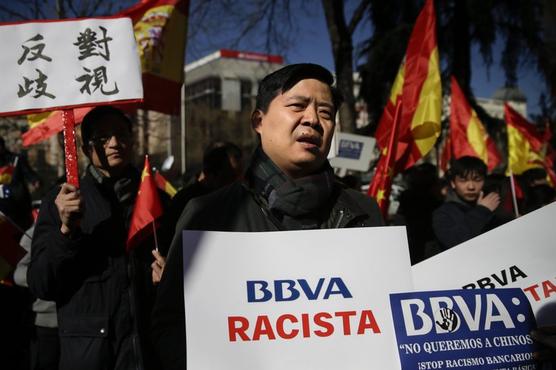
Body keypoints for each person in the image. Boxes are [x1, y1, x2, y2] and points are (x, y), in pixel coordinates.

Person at [152, 63, 383, 370]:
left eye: (326, 113)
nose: (313, 120)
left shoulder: (364, 212)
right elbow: (170, 330)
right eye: (297, 106)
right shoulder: (208, 216)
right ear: (258, 121)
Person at [28, 106, 169, 370]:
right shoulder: (63, 202)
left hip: (148, 352)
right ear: (85, 149)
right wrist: (66, 232)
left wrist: (168, 276)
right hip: (90, 354)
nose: (114, 143)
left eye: (121, 134)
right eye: (103, 138)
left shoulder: (157, 200)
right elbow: (41, 283)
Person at [163, 141, 243, 244]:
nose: (237, 182)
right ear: (210, 174)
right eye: (231, 176)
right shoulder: (185, 202)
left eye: (240, 175)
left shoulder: (238, 200)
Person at [432, 156, 511, 250]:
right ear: (453, 183)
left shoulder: (493, 206)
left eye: (477, 180)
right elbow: (454, 241)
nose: (471, 187)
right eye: (463, 180)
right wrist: (482, 211)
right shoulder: (443, 213)